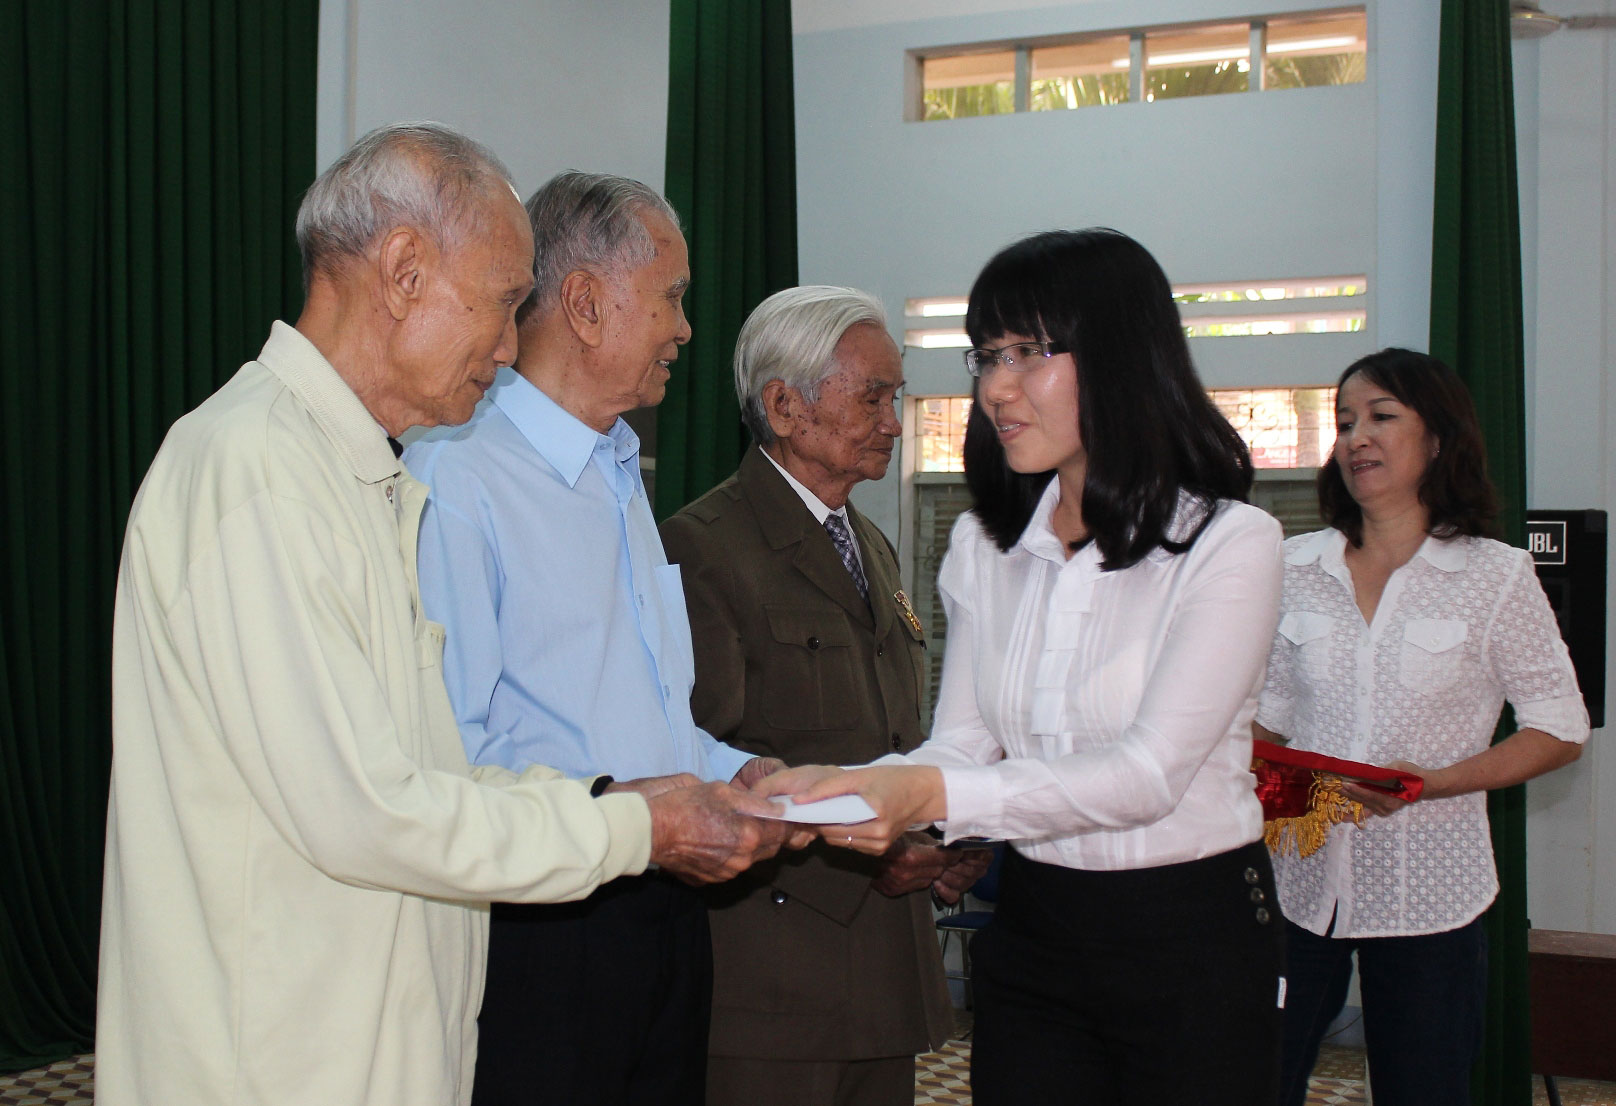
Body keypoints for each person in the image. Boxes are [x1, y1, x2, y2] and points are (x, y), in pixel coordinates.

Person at [97, 124, 785, 1106]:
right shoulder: (254, 474)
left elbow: (434, 776)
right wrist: (631, 823)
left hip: (380, 1043)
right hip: (284, 1062)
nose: (509, 349)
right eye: (504, 304)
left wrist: (669, 796)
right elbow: (369, 811)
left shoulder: (358, 475)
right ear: (406, 269)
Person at [759, 228, 1288, 1105]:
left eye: (1028, 353)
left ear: (1122, 353)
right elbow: (963, 745)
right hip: (1040, 926)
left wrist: (922, 798)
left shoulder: (1230, 544)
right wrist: (837, 791)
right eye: (985, 356)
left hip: (1192, 933)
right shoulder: (983, 546)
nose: (995, 387)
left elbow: (1148, 774)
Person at [403, 172, 800, 1106]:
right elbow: (444, 750)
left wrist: (727, 770)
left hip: (664, 912)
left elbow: (638, 712)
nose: (684, 328)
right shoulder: (457, 477)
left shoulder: (620, 472)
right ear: (584, 304)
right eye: (670, 297)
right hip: (541, 927)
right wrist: (626, 812)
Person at [660, 286, 989, 1106]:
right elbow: (702, 765)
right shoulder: (704, 548)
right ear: (784, 406)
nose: (894, 420)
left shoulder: (868, 543)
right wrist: (873, 857)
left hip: (883, 972)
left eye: (896, 397)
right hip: (778, 977)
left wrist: (940, 836)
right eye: (873, 396)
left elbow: (889, 734)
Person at [1251, 348, 1587, 1106]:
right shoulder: (1291, 564)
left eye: (1380, 417)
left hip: (1432, 895)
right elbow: (1259, 721)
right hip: (1296, 886)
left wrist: (1435, 784)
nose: (1356, 437)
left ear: (1437, 439)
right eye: (1343, 423)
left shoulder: (1497, 576)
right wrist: (1281, 775)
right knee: (1257, 1081)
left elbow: (1560, 726)